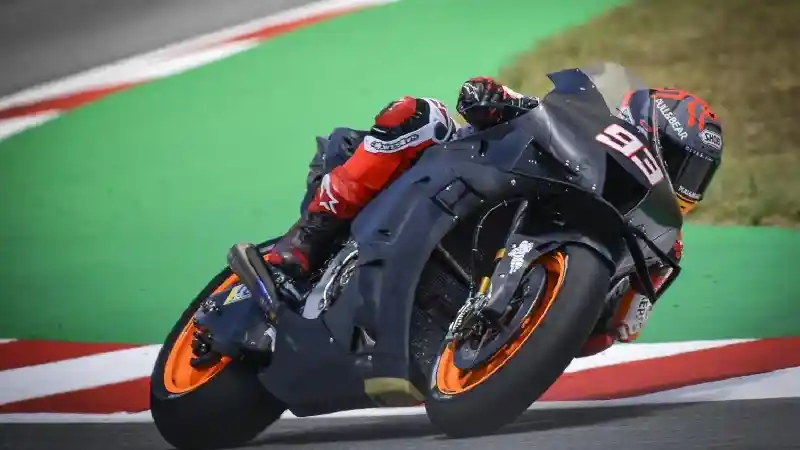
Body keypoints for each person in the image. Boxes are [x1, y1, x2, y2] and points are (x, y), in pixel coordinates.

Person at [264, 76, 723, 357]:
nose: (687, 183)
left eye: (698, 175)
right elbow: (500, 98)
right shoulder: (581, 131)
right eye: (684, 164)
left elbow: (617, 332)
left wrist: (592, 312)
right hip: (458, 184)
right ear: (644, 129)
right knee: (420, 114)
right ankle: (307, 237)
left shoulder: (662, 244)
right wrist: (493, 96)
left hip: (486, 306)